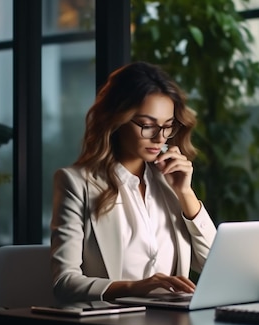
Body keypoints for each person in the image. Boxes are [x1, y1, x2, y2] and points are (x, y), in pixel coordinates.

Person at [50, 61, 217, 303]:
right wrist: (134, 287)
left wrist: (185, 193)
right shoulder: (75, 184)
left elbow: (214, 266)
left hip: (174, 324)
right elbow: (63, 282)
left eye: (168, 127)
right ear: (116, 120)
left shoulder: (170, 183)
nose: (160, 137)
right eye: (147, 125)